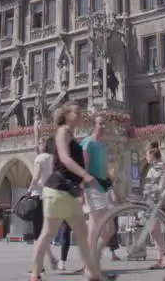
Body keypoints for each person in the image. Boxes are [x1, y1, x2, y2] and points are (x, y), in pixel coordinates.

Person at [27, 103, 108, 281]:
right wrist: (85, 175)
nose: (81, 114)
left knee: (83, 235)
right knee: (47, 234)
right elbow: (64, 158)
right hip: (57, 191)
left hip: (69, 193)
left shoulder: (70, 134)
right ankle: (34, 275)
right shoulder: (62, 131)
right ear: (67, 115)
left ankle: (93, 274)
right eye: (77, 112)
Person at [81, 115, 118, 261]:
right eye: (100, 123)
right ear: (94, 125)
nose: (103, 127)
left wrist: (111, 187)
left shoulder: (103, 146)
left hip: (104, 187)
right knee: (95, 224)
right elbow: (84, 168)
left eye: (105, 124)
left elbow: (104, 169)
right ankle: (90, 261)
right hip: (92, 187)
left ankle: (93, 256)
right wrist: (83, 190)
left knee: (110, 229)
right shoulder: (87, 142)